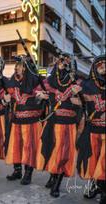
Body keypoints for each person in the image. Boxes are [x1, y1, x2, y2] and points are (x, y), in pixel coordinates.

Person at [36, 54, 83, 198]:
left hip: (68, 124)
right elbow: (37, 90)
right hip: (53, 120)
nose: (63, 64)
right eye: (61, 61)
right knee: (51, 149)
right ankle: (52, 176)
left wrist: (79, 99)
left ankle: (57, 182)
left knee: (63, 154)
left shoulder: (77, 82)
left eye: (66, 62)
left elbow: (86, 101)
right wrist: (40, 95)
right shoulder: (50, 80)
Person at [4, 56, 44, 184]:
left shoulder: (35, 81)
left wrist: (41, 97)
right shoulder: (12, 81)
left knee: (29, 147)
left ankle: (28, 173)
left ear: (26, 68)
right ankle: (17, 171)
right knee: (16, 146)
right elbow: (6, 94)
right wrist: (5, 98)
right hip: (16, 120)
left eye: (20, 66)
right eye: (16, 66)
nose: (17, 68)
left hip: (30, 121)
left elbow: (43, 96)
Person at [77, 54, 105, 204]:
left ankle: (104, 191)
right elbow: (78, 102)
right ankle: (95, 186)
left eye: (105, 64)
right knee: (92, 160)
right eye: (99, 64)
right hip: (93, 130)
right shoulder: (86, 85)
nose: (103, 66)